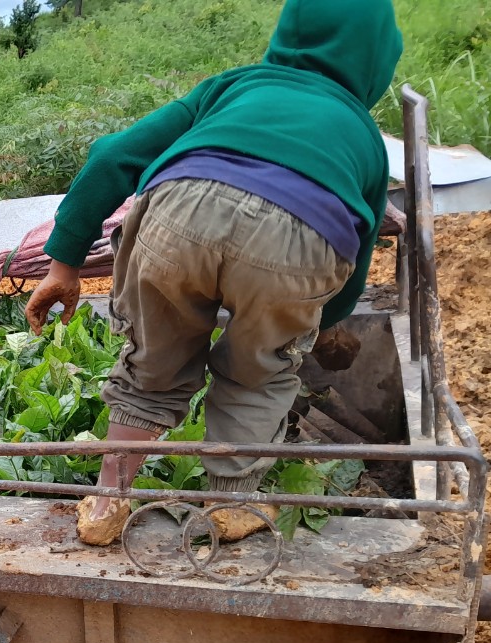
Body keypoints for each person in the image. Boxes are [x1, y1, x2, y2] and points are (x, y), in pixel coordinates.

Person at [25, 0, 402, 546]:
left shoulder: (232, 87)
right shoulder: (362, 135)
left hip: (177, 212)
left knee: (151, 363)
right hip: (299, 235)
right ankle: (230, 501)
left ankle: (108, 501)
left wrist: (63, 265)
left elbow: (112, 158)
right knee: (260, 371)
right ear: (376, 62)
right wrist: (312, 324)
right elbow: (355, 260)